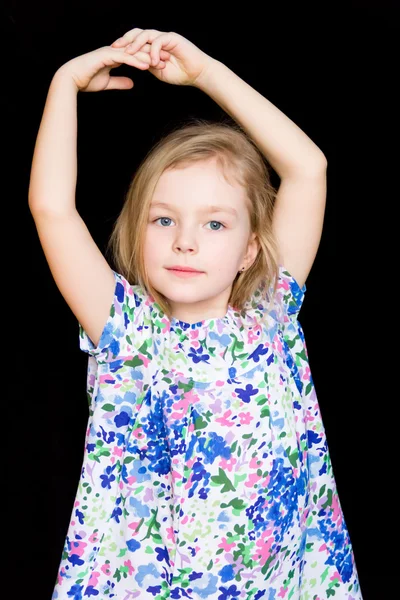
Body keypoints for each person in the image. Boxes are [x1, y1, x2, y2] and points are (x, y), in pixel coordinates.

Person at [28, 28, 362, 600]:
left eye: (214, 223)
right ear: (139, 232)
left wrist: (205, 71)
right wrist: (64, 84)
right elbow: (51, 207)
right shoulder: (127, 329)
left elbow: (308, 167)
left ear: (250, 248)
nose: (186, 241)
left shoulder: (270, 314)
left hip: (279, 583)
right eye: (164, 220)